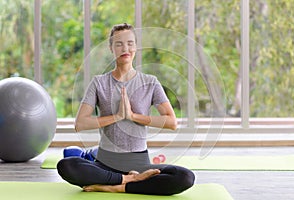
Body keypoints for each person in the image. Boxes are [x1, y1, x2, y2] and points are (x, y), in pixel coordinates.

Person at [57, 23, 195, 195]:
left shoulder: (150, 82)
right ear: (111, 48)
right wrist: (117, 116)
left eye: (130, 43)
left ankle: (118, 187)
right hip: (105, 163)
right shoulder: (99, 83)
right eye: (119, 44)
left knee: (185, 177)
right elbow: (80, 124)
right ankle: (129, 180)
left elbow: (171, 122)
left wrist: (132, 116)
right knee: (66, 165)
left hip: (141, 165)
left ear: (136, 47)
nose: (125, 48)